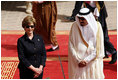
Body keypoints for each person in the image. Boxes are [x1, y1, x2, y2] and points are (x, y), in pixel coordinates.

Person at [68, 8, 105, 79]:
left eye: (83, 19)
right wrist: (78, 60)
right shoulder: (74, 26)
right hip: (78, 62)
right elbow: (71, 44)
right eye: (79, 18)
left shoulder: (97, 26)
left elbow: (98, 47)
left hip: (92, 62)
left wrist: (86, 60)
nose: (80, 21)